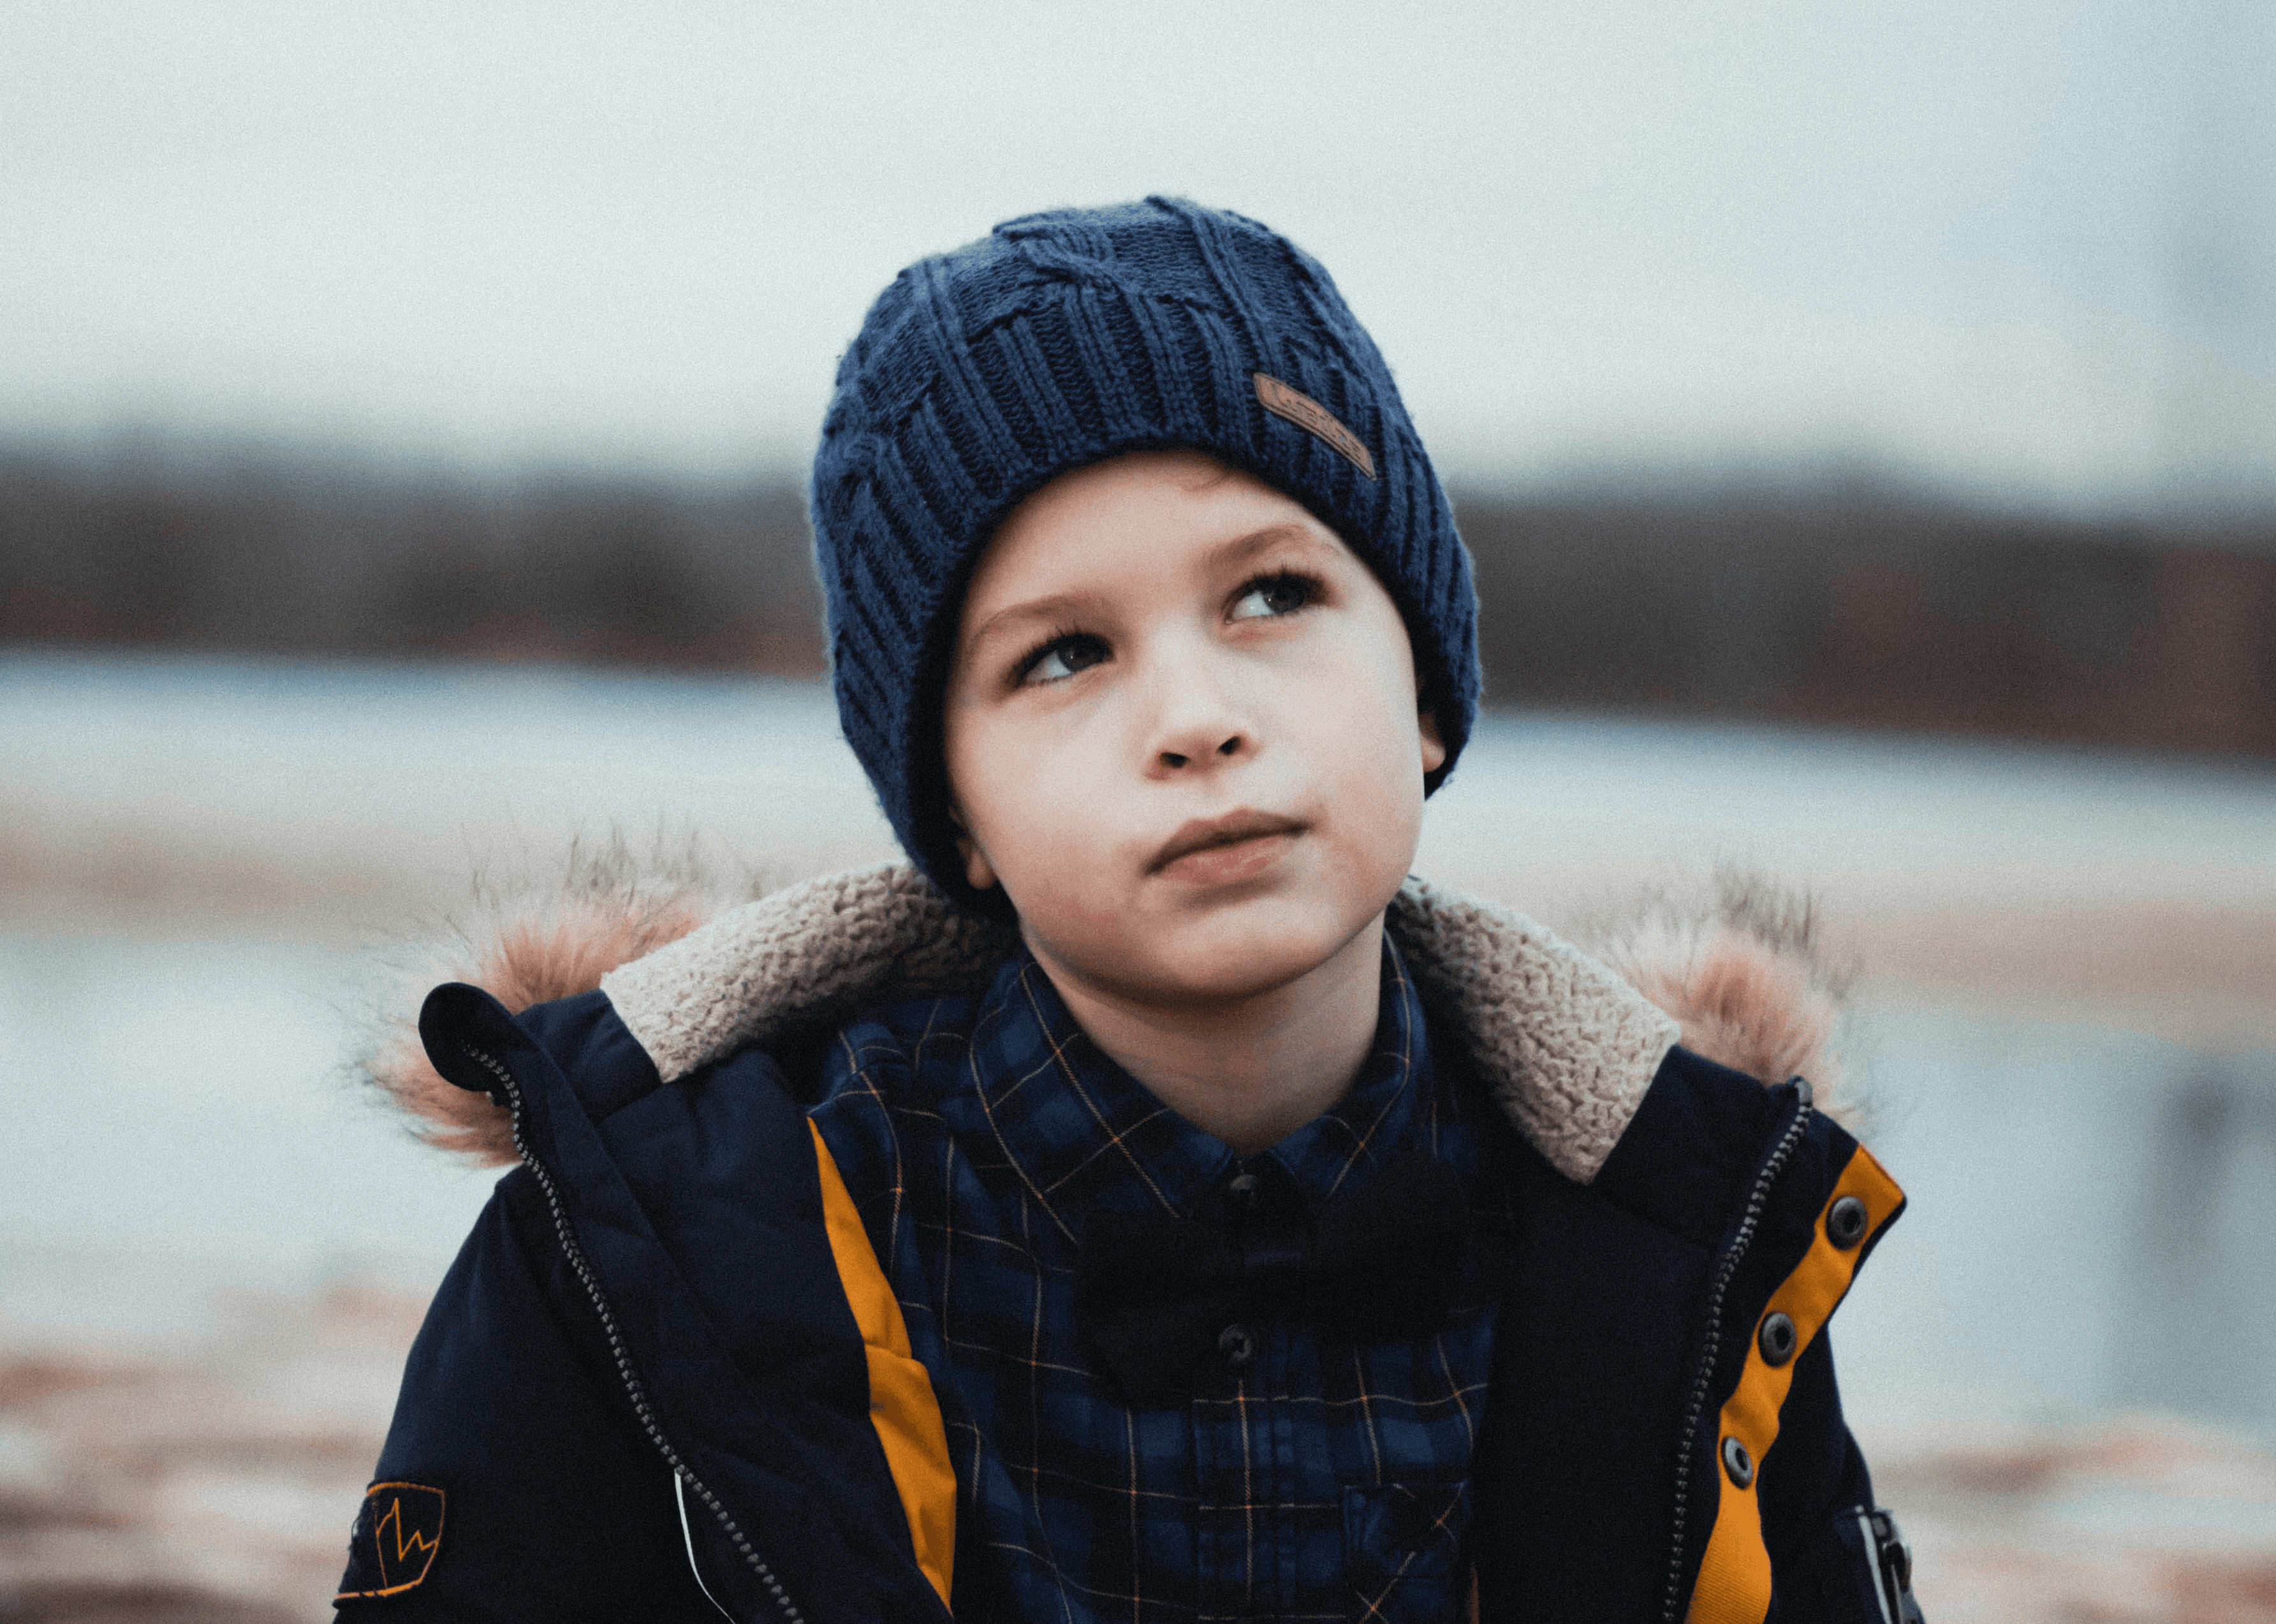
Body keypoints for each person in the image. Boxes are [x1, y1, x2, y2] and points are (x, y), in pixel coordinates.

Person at [338, 198, 1923, 1623]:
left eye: (1273, 594)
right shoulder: (655, 1236)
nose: (1195, 715)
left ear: (1425, 691)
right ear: (950, 812)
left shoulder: (1683, 1240)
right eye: (1062, 655)